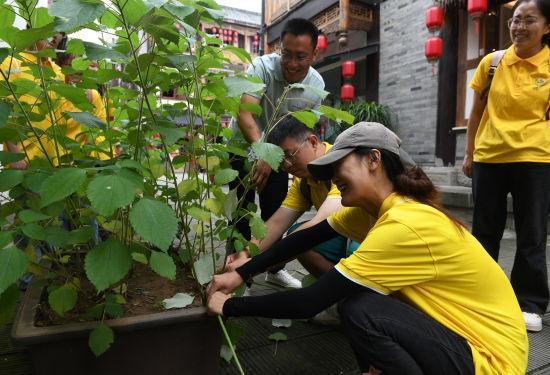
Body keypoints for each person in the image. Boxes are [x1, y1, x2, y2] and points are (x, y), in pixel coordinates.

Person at [208, 122, 528, 374]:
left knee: (360, 309)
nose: (333, 176)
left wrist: (229, 306)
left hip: (492, 361)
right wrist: (243, 274)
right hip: (465, 339)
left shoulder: (404, 223)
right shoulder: (376, 210)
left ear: (374, 159)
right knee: (360, 299)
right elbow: (302, 239)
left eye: (339, 165)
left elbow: (309, 302)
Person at [462, 0, 550, 332]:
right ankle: (481, 294)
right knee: (485, 231)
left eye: (529, 20)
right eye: (515, 20)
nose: (519, 27)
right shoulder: (493, 62)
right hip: (490, 157)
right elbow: (476, 112)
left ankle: (529, 303)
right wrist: (469, 154)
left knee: (532, 232)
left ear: (547, 27)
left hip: (536, 159)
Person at [228, 18, 325, 288]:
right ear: (279, 48)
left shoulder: (316, 86)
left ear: (314, 54)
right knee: (241, 212)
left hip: (280, 157)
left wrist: (274, 159)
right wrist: (263, 153)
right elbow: (246, 113)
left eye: (301, 56)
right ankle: (237, 275)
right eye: (286, 54)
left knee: (275, 208)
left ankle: (274, 268)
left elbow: (302, 130)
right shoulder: (261, 68)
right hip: (242, 146)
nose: (292, 63)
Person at [226, 117, 366, 280]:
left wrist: (252, 266)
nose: (286, 165)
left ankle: (361, 291)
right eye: (281, 160)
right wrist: (244, 254)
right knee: (296, 234)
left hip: (372, 234)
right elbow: (277, 223)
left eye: (289, 155)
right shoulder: (304, 182)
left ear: (313, 142)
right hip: (345, 234)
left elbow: (317, 226)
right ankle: (342, 290)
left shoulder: (340, 165)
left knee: (311, 239)